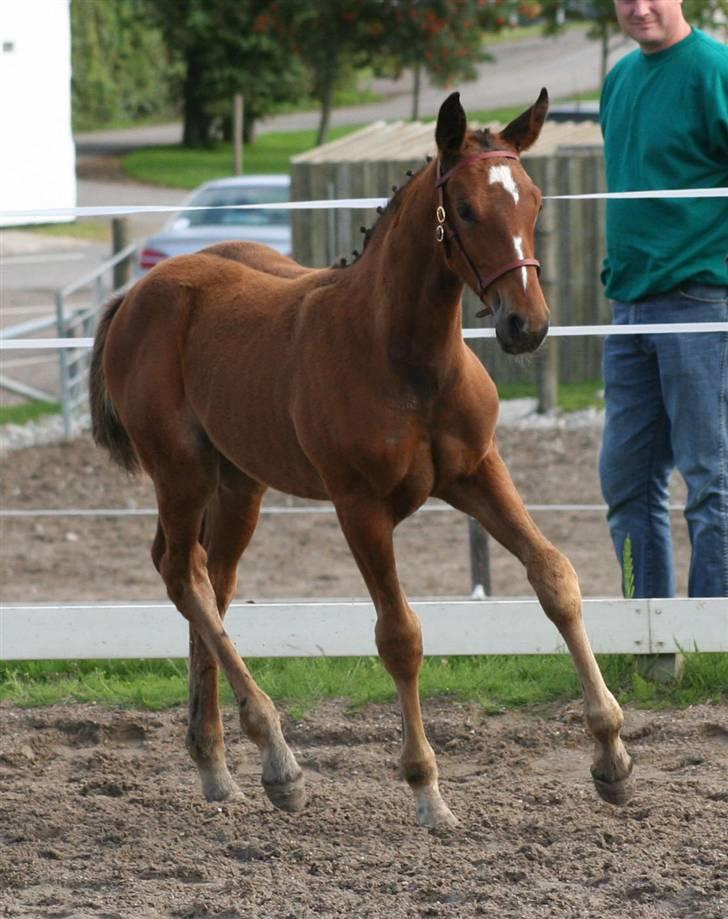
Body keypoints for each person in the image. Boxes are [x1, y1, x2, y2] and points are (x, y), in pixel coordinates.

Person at [598, 0, 728, 598]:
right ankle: (649, 640)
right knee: (625, 482)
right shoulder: (619, 80)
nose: (639, 7)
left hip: (701, 304)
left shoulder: (714, 70)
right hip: (629, 307)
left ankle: (714, 639)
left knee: (710, 479)